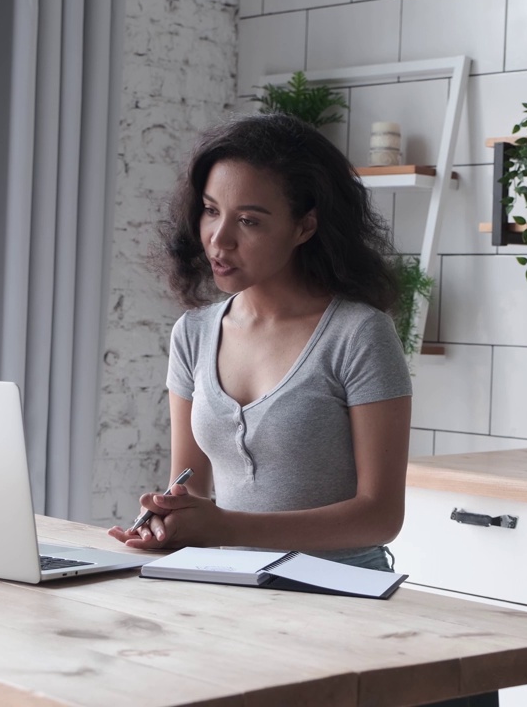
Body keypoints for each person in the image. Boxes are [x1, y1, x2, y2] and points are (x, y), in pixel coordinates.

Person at [106, 112, 412, 572]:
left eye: (248, 220)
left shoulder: (359, 335)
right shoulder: (193, 334)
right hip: (233, 588)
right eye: (211, 210)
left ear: (304, 227)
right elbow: (186, 485)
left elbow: (381, 516)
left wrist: (227, 527)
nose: (218, 239)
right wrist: (167, 522)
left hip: (342, 594)